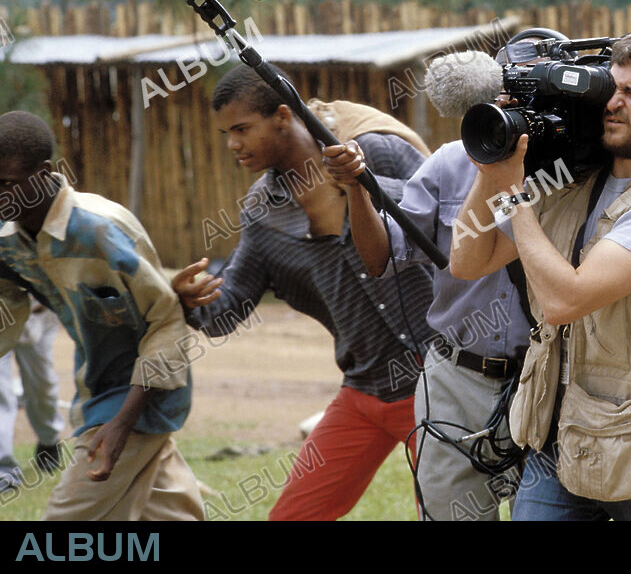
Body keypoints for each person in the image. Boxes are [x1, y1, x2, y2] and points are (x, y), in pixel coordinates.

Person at [448, 29, 631, 521]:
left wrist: (514, 196)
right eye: (609, 89)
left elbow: (564, 300)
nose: (612, 104)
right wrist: (491, 165)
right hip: (560, 439)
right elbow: (467, 261)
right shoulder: (570, 182)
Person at [172, 64, 435, 521]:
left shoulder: (373, 154)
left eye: (241, 129)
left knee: (446, 513)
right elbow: (228, 310)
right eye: (225, 133)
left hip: (438, 382)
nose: (233, 144)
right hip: (365, 388)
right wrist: (192, 301)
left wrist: (363, 188)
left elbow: (452, 221)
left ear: (281, 116)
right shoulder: (261, 211)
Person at [322, 30, 564, 521]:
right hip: (457, 380)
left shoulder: (582, 171)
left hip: (551, 379)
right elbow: (380, 257)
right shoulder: (451, 162)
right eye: (510, 93)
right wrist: (357, 190)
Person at [0, 110, 203, 520]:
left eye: (7, 182)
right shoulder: (10, 243)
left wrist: (122, 423)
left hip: (139, 395)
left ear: (43, 173)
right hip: (95, 389)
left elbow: (165, 319)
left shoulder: (99, 230)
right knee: (169, 512)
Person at [0, 298, 65, 493]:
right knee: (1, 394)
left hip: (37, 312)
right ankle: (4, 471)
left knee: (42, 386)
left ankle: (49, 438)